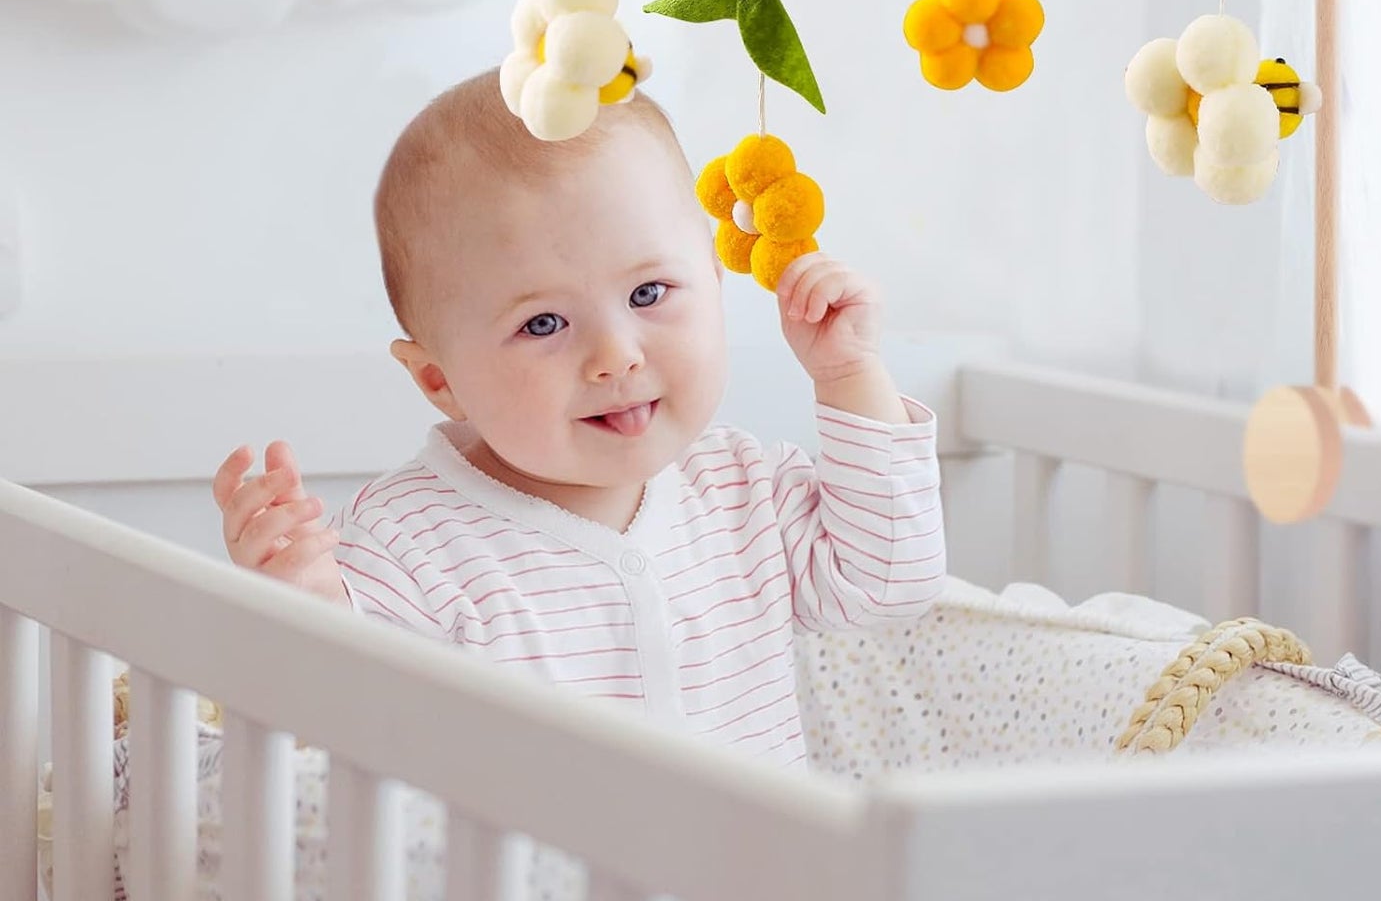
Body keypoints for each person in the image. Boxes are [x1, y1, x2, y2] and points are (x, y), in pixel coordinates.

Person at [213, 69, 945, 766]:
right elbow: (344, 720)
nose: (614, 356)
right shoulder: (412, 543)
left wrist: (848, 375)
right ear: (441, 379)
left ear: (715, 281)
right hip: (535, 898)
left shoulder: (741, 488)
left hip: (757, 893)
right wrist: (305, 595)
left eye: (650, 292)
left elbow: (888, 581)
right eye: (542, 324)